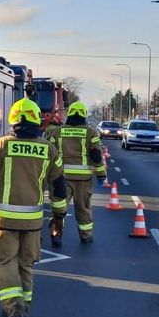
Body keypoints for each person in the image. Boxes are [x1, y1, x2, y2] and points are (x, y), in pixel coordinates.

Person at [0, 99, 69, 317]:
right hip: (33, 222)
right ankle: (23, 308)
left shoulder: (1, 146)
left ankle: (14, 305)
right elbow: (59, 186)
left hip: (4, 220)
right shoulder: (49, 149)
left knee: (4, 261)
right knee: (26, 264)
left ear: (13, 119)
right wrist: (59, 216)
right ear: (37, 120)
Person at [44, 101, 106, 245]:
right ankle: (86, 235)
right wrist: (101, 175)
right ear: (84, 115)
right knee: (83, 208)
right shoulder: (90, 132)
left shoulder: (57, 132)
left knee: (58, 208)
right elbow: (96, 155)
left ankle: (56, 233)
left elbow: (49, 152)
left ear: (69, 114)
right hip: (83, 180)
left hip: (60, 178)